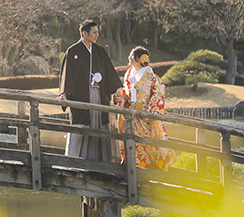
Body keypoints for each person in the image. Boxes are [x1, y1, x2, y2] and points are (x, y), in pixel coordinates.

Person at [58, 19, 124, 161]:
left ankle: (101, 161)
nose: (97, 35)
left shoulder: (100, 51)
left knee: (100, 125)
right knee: (80, 125)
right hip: (81, 96)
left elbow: (110, 72)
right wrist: (63, 94)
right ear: (84, 33)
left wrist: (118, 88)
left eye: (97, 32)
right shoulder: (73, 51)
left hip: (99, 95)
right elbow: (67, 74)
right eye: (94, 32)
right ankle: (74, 160)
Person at [119, 46, 175, 171]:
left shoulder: (151, 76)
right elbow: (125, 90)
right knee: (131, 139)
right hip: (131, 113)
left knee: (148, 141)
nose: (129, 58)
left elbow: (158, 93)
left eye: (131, 56)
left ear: (139, 59)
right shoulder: (129, 73)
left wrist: (153, 109)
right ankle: (133, 164)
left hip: (145, 115)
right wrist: (123, 99)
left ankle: (152, 167)